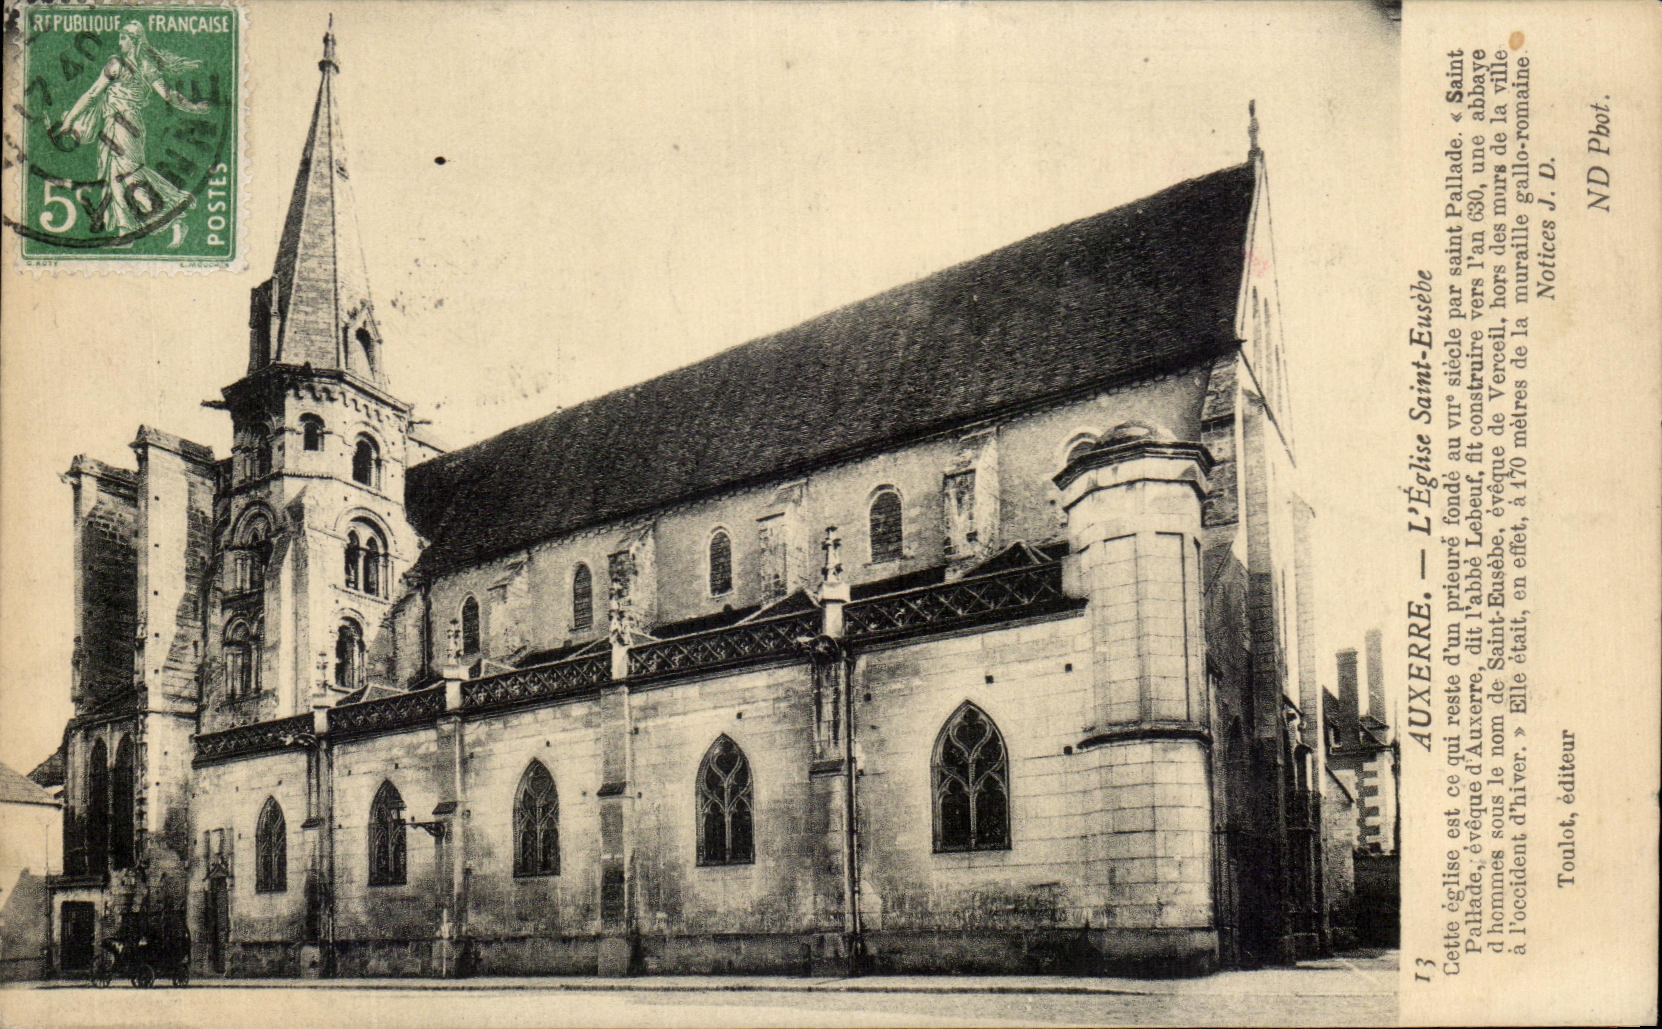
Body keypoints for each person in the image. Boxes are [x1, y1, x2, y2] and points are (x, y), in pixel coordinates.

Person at [56, 21, 209, 234]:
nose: (119, 43)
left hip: (124, 127)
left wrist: (69, 121)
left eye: (123, 38)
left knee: (128, 177)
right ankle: (125, 228)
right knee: (114, 177)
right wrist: (194, 108)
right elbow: (169, 97)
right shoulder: (145, 66)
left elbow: (93, 94)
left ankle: (172, 218)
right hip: (118, 126)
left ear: (134, 41)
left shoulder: (118, 65)